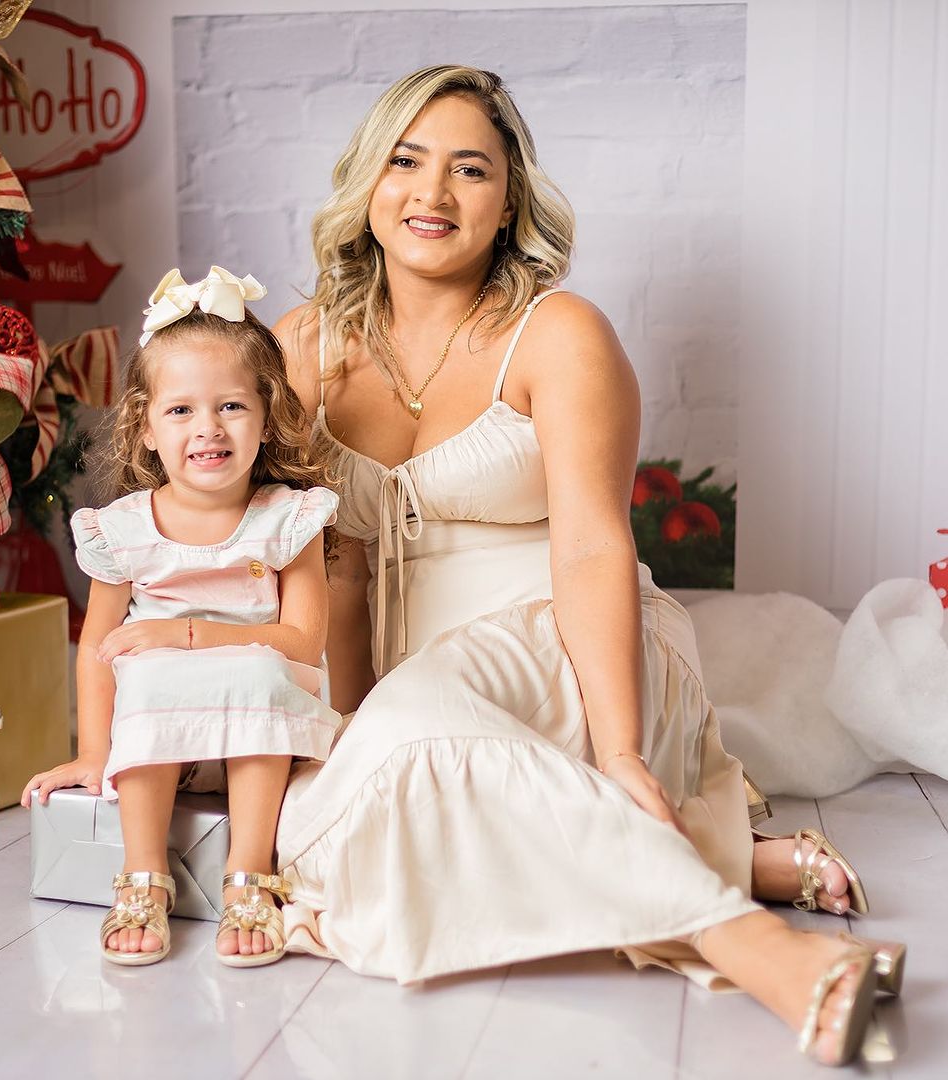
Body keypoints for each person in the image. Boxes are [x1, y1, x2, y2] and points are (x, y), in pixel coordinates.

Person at [270, 66, 903, 1066]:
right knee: (328, 817)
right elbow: (321, 567)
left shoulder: (558, 333)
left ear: (509, 199)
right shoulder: (300, 349)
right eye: (406, 161)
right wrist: (339, 722)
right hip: (409, 688)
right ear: (367, 180)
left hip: (569, 646)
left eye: (469, 169)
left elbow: (594, 545)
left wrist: (619, 754)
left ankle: (756, 947)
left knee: (408, 751)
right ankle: (720, 865)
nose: (433, 194)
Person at [21, 267, 340, 969]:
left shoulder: (289, 519)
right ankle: (143, 875)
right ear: (144, 427)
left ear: (267, 416)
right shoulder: (124, 530)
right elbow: (98, 650)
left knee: (257, 669)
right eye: (181, 411)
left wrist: (187, 634)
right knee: (147, 673)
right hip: (156, 741)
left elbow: (303, 643)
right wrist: (94, 755)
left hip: (262, 739)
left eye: (232, 406)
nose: (208, 429)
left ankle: (249, 875)